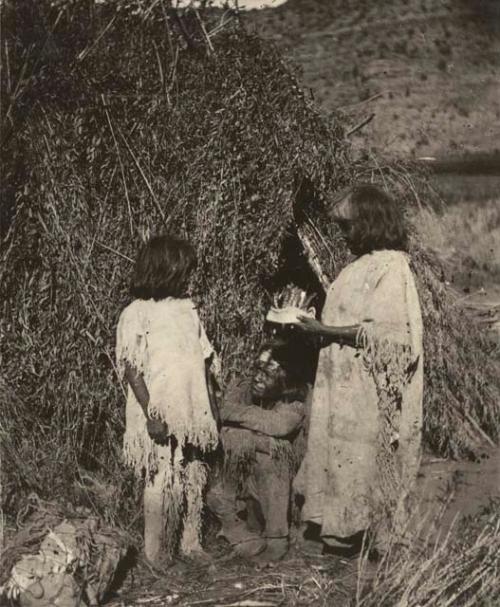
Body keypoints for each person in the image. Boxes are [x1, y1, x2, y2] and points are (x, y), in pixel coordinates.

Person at [294, 183, 423, 555]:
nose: (344, 234)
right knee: (342, 454)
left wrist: (323, 330)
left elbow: (390, 336)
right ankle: (340, 529)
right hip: (344, 381)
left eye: (348, 227)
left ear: (368, 223)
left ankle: (367, 534)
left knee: (365, 456)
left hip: (369, 386)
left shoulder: (392, 268)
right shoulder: (358, 267)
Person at [116, 234, 219, 565]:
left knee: (191, 474)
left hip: (190, 412)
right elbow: (133, 369)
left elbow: (203, 363)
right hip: (157, 413)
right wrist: (151, 414)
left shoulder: (188, 311)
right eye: (183, 271)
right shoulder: (137, 313)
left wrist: (210, 411)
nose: (188, 278)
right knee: (160, 478)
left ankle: (191, 543)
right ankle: (157, 552)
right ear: (163, 270)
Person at [207, 319, 314, 563]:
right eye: (258, 368)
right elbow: (220, 409)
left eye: (268, 372)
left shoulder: (299, 396)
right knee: (247, 446)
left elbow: (279, 425)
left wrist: (239, 429)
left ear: (288, 377)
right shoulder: (246, 384)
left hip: (288, 491)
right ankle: (240, 528)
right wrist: (248, 430)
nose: (258, 377)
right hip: (247, 485)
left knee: (275, 450)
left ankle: (277, 539)